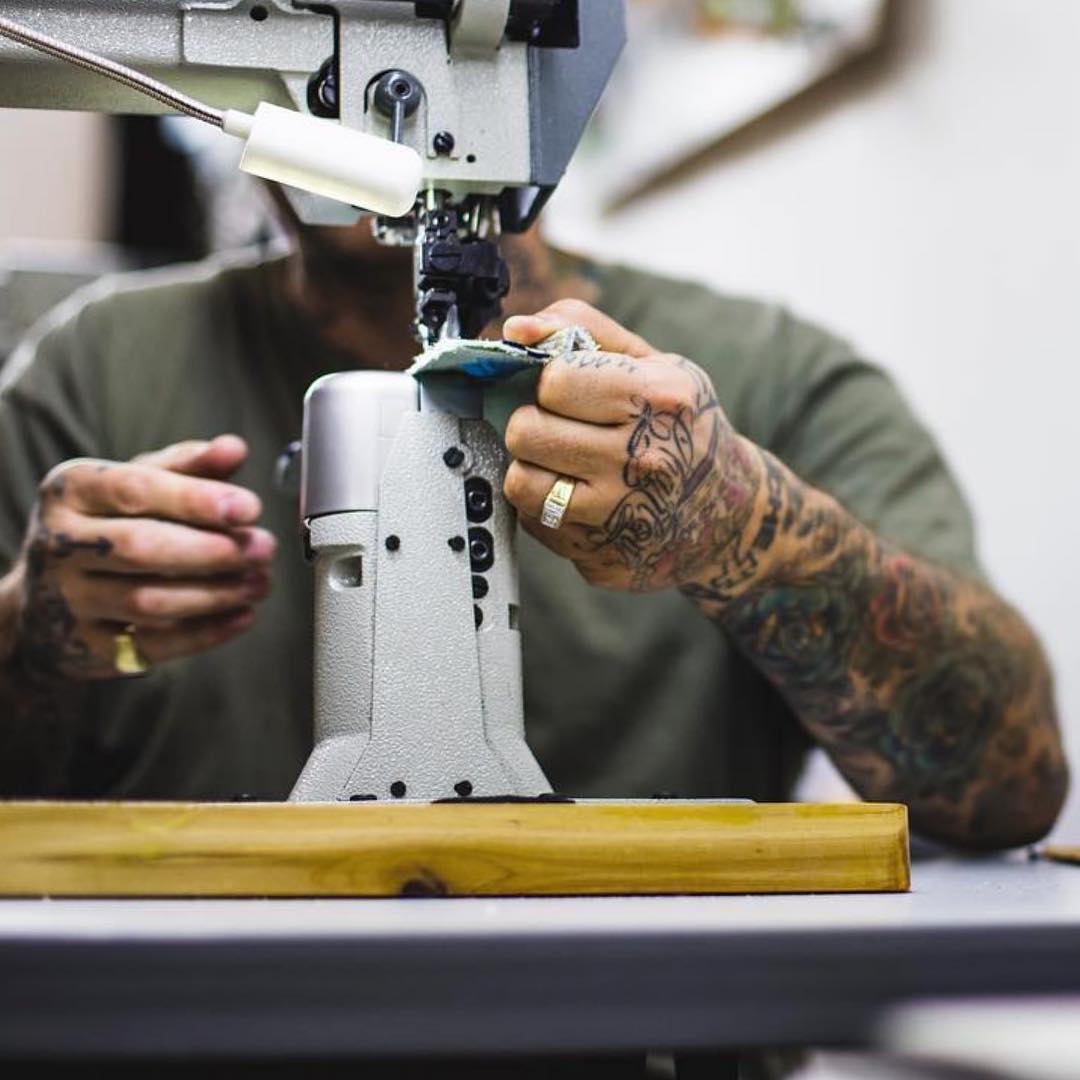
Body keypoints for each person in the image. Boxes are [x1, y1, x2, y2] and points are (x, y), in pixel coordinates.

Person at [0, 204, 1068, 850]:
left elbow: (1009, 787)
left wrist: (744, 528)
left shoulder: (768, 381)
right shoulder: (90, 379)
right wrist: (25, 644)